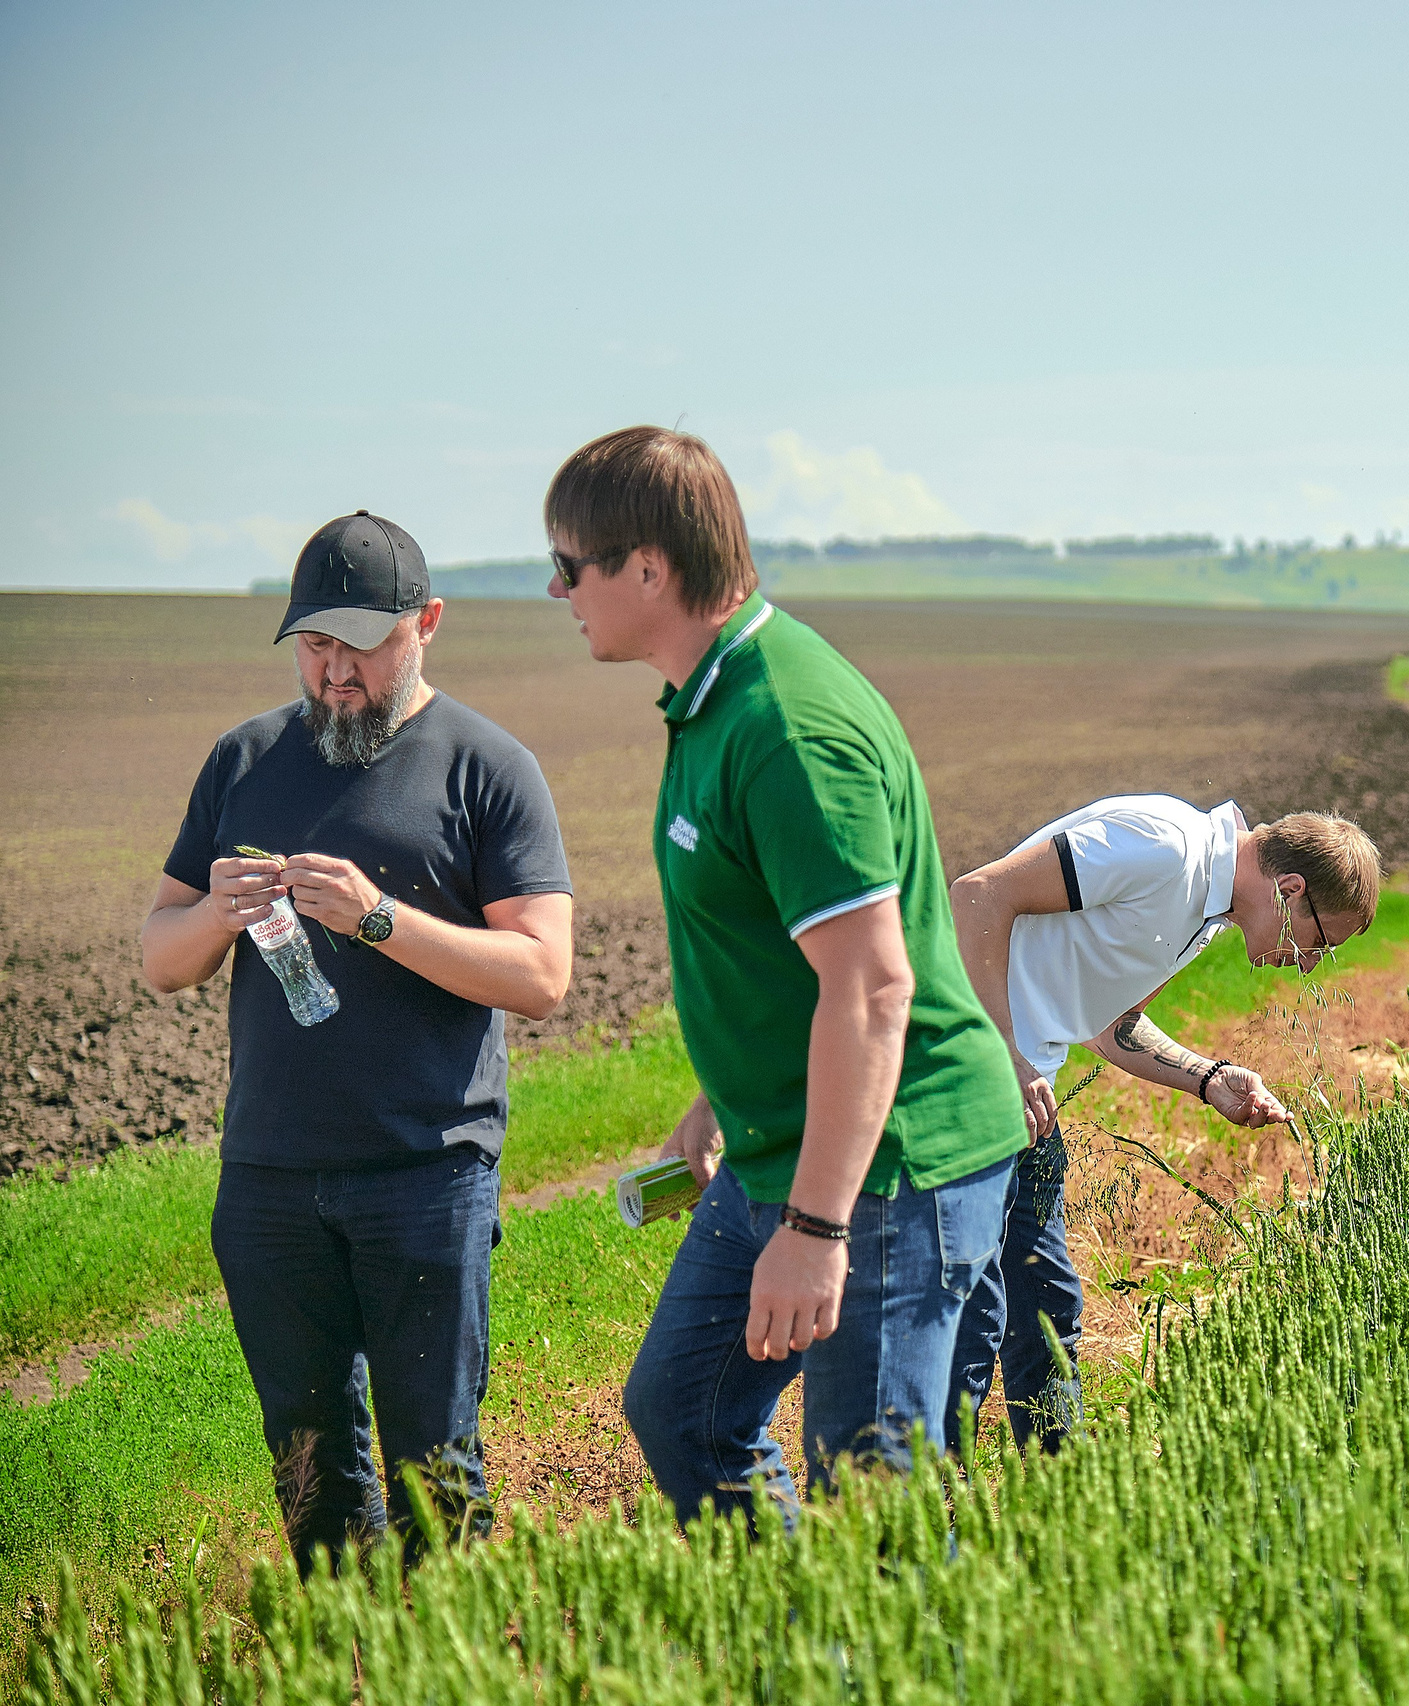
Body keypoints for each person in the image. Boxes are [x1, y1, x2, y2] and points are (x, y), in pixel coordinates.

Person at [543, 426, 1023, 1529]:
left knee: (872, 1496)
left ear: (649, 568)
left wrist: (815, 1229)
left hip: (890, 1166)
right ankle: (802, 1651)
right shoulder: (714, 700)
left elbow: (871, 988)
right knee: (681, 1407)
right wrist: (727, 1090)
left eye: (569, 564)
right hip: (782, 1144)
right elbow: (776, 948)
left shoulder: (785, 726)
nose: (557, 588)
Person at [140, 511, 574, 1574]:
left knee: (437, 1470)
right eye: (314, 644)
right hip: (271, 1177)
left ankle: (449, 1664)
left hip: (427, 1171)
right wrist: (217, 915)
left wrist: (379, 917)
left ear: (426, 622)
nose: (334, 671)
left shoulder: (488, 766)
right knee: (308, 1466)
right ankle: (345, 1662)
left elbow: (543, 975)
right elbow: (162, 953)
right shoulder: (243, 757)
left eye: (360, 645)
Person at [942, 798, 1381, 1452]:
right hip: (953, 1078)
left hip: (1017, 1102)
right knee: (971, 1320)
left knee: (1045, 1306)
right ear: (1289, 890)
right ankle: (912, 1516)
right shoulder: (1164, 848)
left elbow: (1108, 1025)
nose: (1310, 964)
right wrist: (1002, 1052)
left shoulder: (1205, 910)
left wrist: (1209, 1079)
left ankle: (1061, 1496)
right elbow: (979, 893)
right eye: (1317, 942)